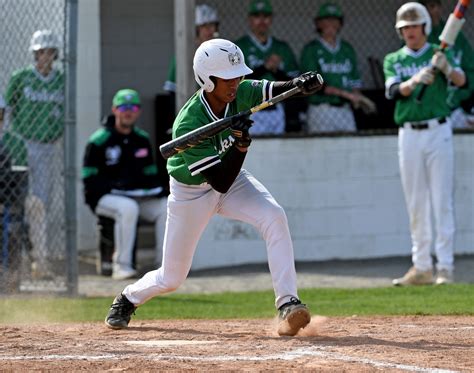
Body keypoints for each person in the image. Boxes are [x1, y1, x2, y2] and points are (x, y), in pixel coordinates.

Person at [104, 39, 324, 336]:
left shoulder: (240, 91)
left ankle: (288, 303)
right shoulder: (189, 123)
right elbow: (219, 180)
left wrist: (298, 83)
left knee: (274, 215)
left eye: (238, 75)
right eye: (227, 77)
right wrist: (241, 146)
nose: (236, 82)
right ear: (208, 79)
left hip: (232, 178)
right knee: (172, 277)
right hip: (192, 192)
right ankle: (128, 298)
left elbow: (270, 90)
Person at [384, 2, 465, 286]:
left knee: (441, 199)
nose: (409, 31)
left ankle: (444, 266)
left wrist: (446, 68)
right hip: (408, 132)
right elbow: (394, 90)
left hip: (438, 131)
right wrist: (416, 79)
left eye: (414, 26)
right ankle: (421, 266)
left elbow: (462, 80)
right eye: (404, 27)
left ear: (425, 27)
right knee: (415, 201)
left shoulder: (438, 52)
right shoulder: (394, 59)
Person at [82, 89, 168, 280]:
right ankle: (122, 266)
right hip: (104, 198)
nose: (128, 111)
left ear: (138, 111)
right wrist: (116, 186)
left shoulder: (142, 139)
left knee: (166, 207)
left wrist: (154, 189)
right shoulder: (99, 140)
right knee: (127, 208)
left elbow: (150, 175)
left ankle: (164, 267)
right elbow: (89, 180)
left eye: (133, 107)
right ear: (114, 109)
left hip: (136, 196)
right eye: (123, 107)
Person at [5, 29, 64, 279]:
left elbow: (65, 115)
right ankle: (16, 260)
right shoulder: (20, 78)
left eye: (49, 51)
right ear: (34, 53)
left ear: (55, 54)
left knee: (41, 204)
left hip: (48, 146)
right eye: (40, 52)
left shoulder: (61, 80)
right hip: (21, 142)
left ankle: (40, 260)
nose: (44, 56)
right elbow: (8, 111)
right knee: (17, 200)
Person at [300, 2, 376, 133]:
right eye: (327, 20)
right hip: (321, 109)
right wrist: (348, 95)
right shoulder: (311, 49)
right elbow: (315, 84)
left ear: (340, 23)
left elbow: (354, 82)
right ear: (318, 24)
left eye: (335, 20)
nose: (331, 24)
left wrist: (358, 97)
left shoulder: (347, 49)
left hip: (345, 109)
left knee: (350, 149)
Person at [235, 0, 300, 135]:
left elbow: (294, 82)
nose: (262, 20)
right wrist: (264, 67)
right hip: (250, 109)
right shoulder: (239, 47)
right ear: (249, 20)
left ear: (271, 19)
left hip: (276, 109)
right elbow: (235, 82)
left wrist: (276, 71)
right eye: (257, 16)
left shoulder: (282, 47)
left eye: (266, 16)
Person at [421, 0, 474, 129]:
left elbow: (470, 71)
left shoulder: (456, 36)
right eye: (427, 8)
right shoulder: (418, 39)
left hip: (459, 104)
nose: (431, 12)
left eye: (434, 6)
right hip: (428, 108)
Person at [163, 4, 220, 94]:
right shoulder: (183, 54)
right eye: (204, 26)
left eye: (212, 25)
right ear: (195, 29)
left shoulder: (220, 52)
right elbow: (172, 89)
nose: (210, 30)